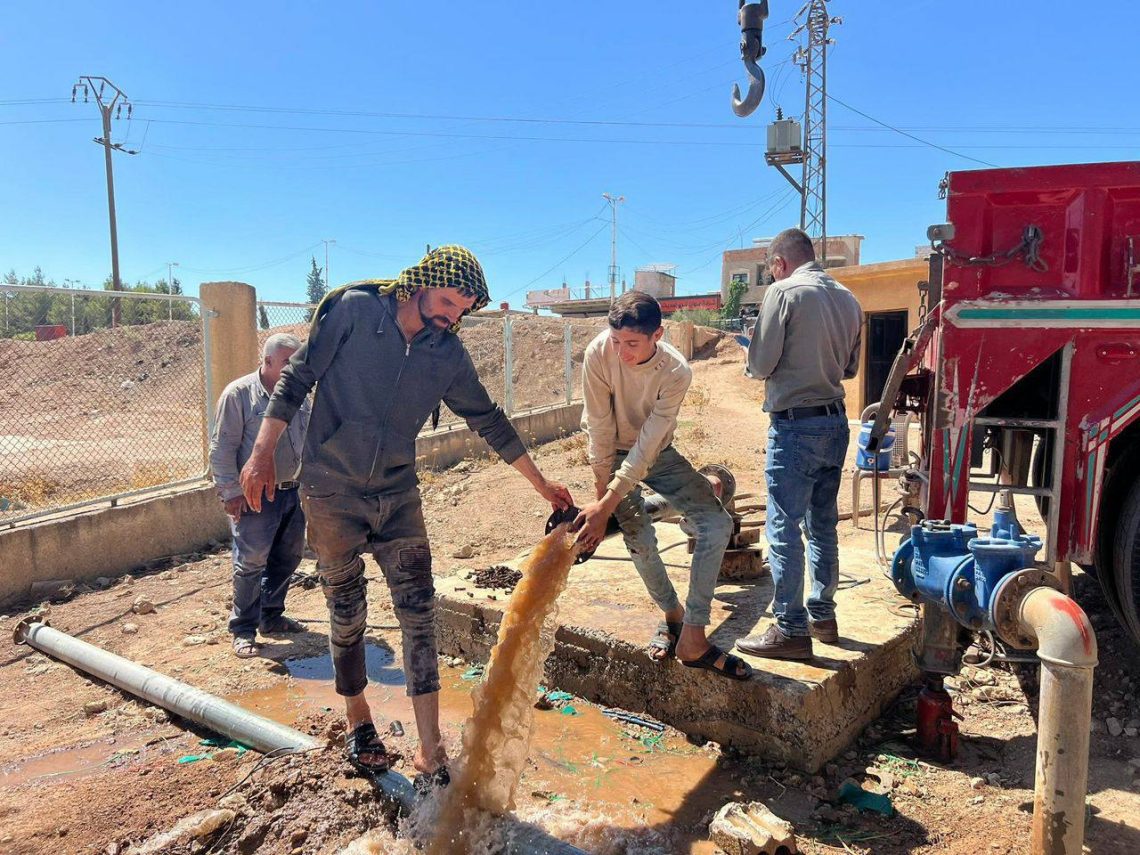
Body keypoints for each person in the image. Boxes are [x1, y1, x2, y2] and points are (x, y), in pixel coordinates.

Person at [238, 246, 572, 788]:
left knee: (419, 612)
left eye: (463, 310)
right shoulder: (354, 311)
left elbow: (488, 419)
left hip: (396, 493)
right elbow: (296, 379)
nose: (452, 316)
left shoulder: (446, 353)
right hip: (330, 491)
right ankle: (359, 721)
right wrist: (260, 454)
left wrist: (540, 484)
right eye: (448, 302)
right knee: (346, 610)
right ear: (420, 283)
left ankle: (429, 749)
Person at [574, 291, 752, 681]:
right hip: (612, 453)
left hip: (657, 452)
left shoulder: (676, 371)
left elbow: (650, 442)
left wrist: (607, 505)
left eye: (632, 344)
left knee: (717, 524)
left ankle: (693, 636)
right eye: (616, 340)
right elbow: (599, 429)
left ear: (658, 335)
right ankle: (673, 615)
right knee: (638, 536)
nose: (621, 352)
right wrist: (602, 498)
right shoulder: (598, 352)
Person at [734, 228, 863, 661]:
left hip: (794, 426)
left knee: (784, 528)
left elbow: (761, 364)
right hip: (835, 422)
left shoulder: (783, 292)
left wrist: (750, 352)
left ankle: (790, 629)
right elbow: (849, 369)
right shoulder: (849, 299)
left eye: (771, 269)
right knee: (822, 525)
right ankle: (823, 617)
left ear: (778, 263)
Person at [209, 333, 310, 659]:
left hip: (292, 491)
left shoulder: (299, 395)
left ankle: (271, 615)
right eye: (287, 363)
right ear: (267, 362)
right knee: (251, 563)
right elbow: (222, 449)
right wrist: (230, 493)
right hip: (254, 496)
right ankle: (243, 629)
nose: (294, 369)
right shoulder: (239, 395)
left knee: (289, 556)